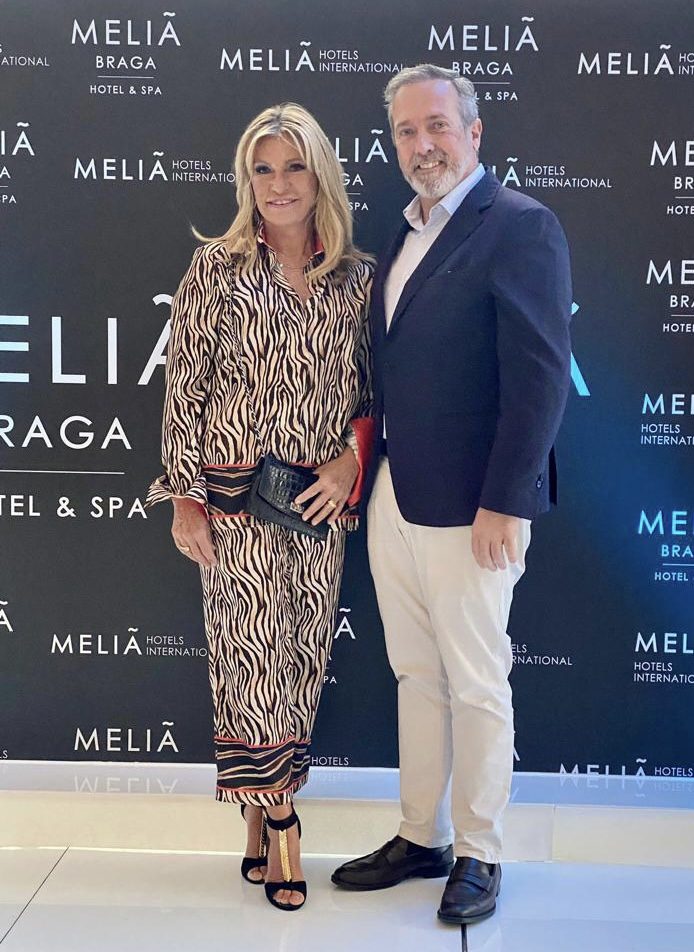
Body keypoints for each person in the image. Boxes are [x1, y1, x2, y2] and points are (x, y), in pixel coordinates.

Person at [331, 65, 572, 925]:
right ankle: (420, 835)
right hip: (394, 491)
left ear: (474, 132)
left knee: (476, 680)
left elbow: (540, 378)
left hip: (476, 504)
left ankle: (480, 850)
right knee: (415, 673)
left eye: (436, 125)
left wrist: (506, 501)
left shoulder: (520, 226)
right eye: (406, 131)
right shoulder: (401, 235)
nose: (421, 144)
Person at [147, 103, 373, 912]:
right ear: (247, 179)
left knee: (301, 661)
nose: (278, 184)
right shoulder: (217, 267)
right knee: (248, 660)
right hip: (232, 502)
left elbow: (377, 393)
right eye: (263, 168)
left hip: (315, 502)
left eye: (294, 166)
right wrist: (186, 500)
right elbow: (186, 388)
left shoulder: (356, 278)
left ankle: (253, 805)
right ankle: (281, 819)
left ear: (321, 175)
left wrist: (353, 459)